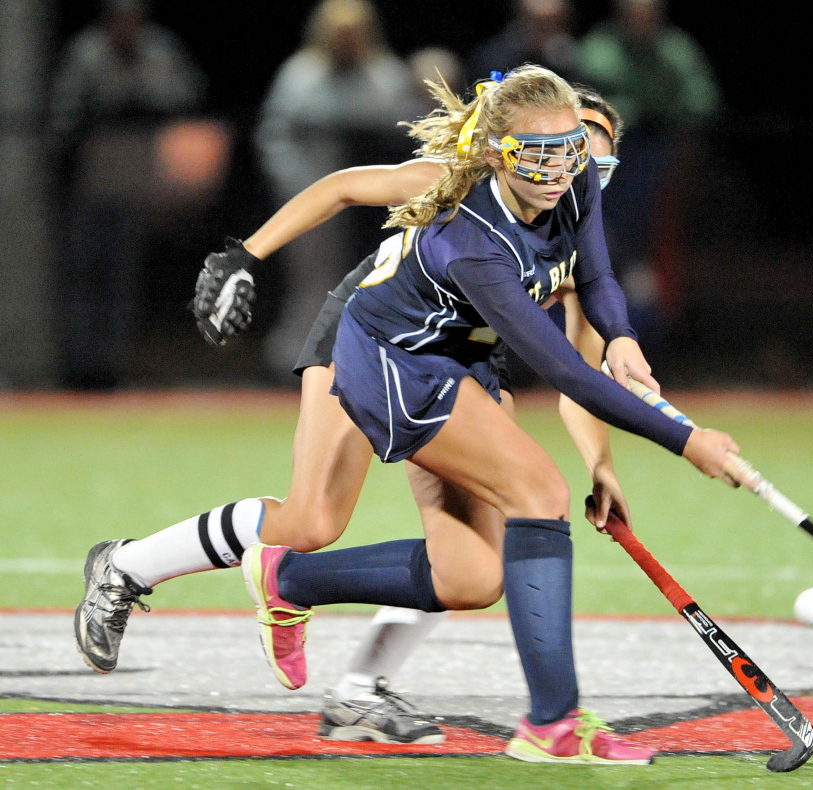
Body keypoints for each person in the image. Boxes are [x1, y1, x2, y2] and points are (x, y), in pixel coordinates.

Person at [74, 83, 636, 747]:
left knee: (473, 574)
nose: (570, 180)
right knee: (310, 520)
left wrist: (602, 465)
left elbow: (582, 375)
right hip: (372, 339)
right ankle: (127, 567)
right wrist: (246, 253)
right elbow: (343, 187)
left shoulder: (578, 253)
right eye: (561, 157)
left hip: (464, 371)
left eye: (592, 169)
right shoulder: (464, 185)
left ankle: (356, 694)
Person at [240, 64, 740, 765]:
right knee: (540, 492)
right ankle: (552, 725)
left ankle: (287, 579)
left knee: (473, 576)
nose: (562, 169)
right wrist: (688, 442)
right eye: (539, 155)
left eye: (571, 151)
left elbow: (595, 278)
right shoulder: (474, 236)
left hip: (458, 362)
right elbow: (564, 370)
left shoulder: (575, 179)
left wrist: (621, 336)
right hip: (391, 361)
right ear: (498, 154)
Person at [255, 0, 418, 383]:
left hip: (379, 204)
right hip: (317, 195)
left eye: (353, 33)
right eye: (338, 33)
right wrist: (297, 187)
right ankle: (295, 366)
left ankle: (377, 364)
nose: (346, 41)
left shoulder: (386, 75)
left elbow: (412, 134)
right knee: (314, 281)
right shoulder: (301, 75)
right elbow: (274, 136)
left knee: (382, 278)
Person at [48, 0, 207, 389]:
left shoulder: (159, 50)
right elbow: (63, 117)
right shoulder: (88, 52)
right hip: (96, 173)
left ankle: (113, 364)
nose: (126, 27)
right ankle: (81, 365)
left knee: (125, 275)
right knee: (86, 273)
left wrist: (148, 105)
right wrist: (103, 111)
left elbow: (189, 96)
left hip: (142, 173)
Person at [579, 0, 721, 375]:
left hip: (658, 165)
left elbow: (702, 102)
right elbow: (586, 103)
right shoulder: (599, 49)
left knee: (651, 265)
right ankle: (589, 355)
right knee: (601, 253)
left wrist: (654, 115)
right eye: (633, 17)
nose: (640, 25)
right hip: (603, 166)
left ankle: (655, 354)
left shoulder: (676, 51)